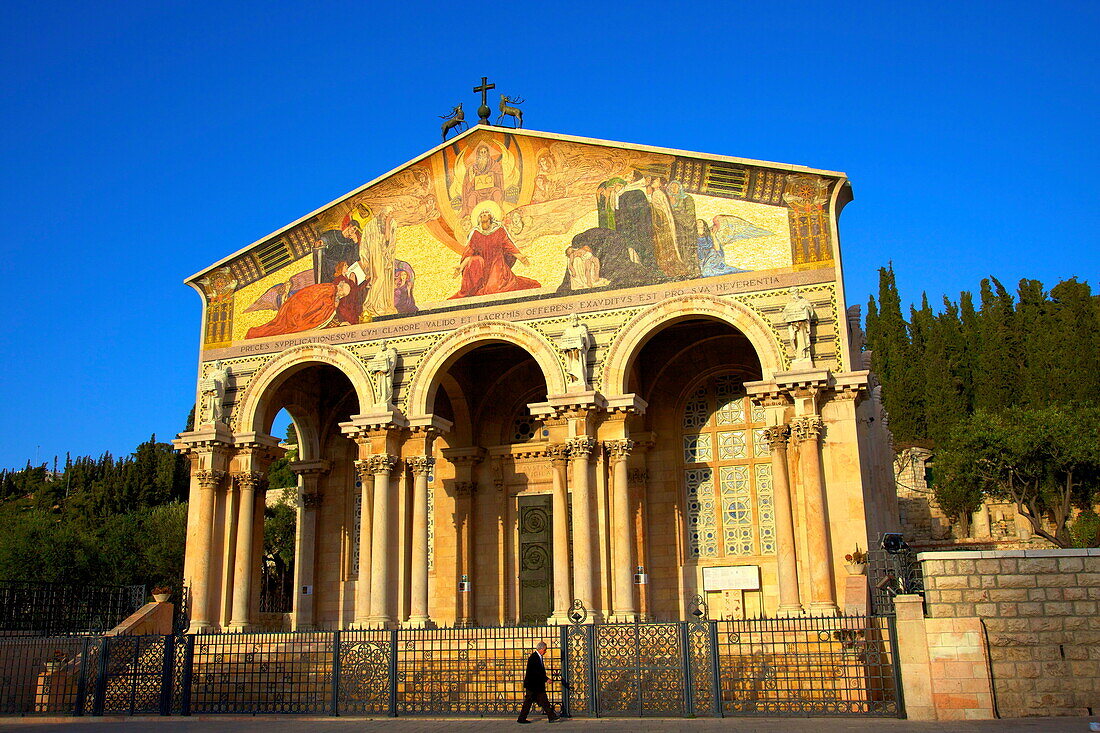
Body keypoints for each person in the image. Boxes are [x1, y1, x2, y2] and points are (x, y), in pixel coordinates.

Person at [450, 208, 540, 299]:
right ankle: (477, 286)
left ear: (491, 217)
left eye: (486, 213)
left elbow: (508, 246)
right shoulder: (476, 233)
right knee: (476, 260)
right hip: (482, 268)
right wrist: (461, 267)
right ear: (479, 218)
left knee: (494, 290)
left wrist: (521, 257)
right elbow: (470, 252)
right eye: (482, 213)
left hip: (497, 263)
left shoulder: (499, 230)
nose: (484, 214)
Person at [517, 641, 560, 724]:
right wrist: (546, 679)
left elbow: (539, 672)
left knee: (542, 701)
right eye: (545, 650)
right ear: (541, 649)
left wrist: (545, 678)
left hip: (536, 684)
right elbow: (537, 672)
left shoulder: (537, 657)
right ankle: (522, 718)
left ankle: (551, 716)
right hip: (533, 685)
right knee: (532, 701)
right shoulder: (534, 658)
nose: (545, 651)